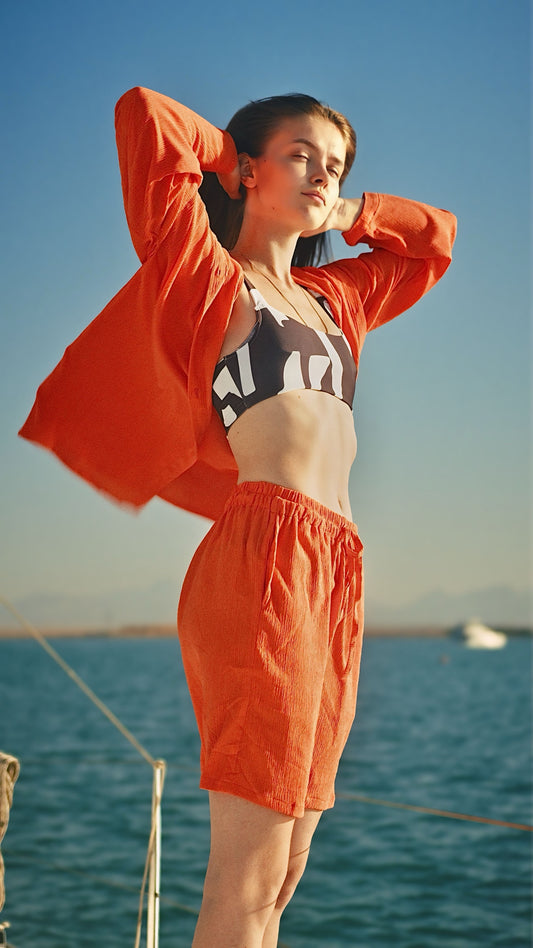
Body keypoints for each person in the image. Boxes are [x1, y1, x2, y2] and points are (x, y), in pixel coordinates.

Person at [19, 86, 456, 947]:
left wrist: (353, 208)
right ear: (250, 170)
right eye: (302, 155)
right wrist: (230, 159)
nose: (322, 175)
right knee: (247, 876)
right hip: (265, 555)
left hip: (338, 567)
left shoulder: (335, 300)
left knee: (286, 870)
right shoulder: (208, 279)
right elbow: (146, 117)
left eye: (335, 165)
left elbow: (436, 240)